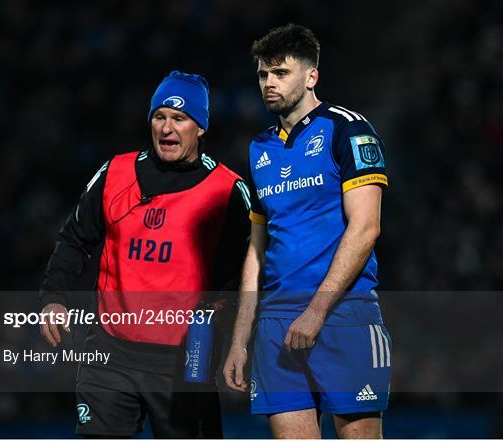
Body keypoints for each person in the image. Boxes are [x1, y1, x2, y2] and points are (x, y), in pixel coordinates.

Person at [40, 71, 250, 438]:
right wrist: (54, 298)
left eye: (179, 118)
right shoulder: (115, 173)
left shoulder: (227, 190)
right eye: (159, 117)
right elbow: (74, 239)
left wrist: (228, 328)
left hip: (185, 359)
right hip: (109, 353)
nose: (167, 128)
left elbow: (248, 269)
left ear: (200, 127)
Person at [223, 24, 392, 439]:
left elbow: (366, 227)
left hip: (343, 314)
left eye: (281, 73)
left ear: (311, 76)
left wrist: (316, 312)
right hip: (276, 324)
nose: (269, 84)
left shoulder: (348, 130)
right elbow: (256, 251)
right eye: (263, 74)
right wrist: (240, 339)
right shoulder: (260, 148)